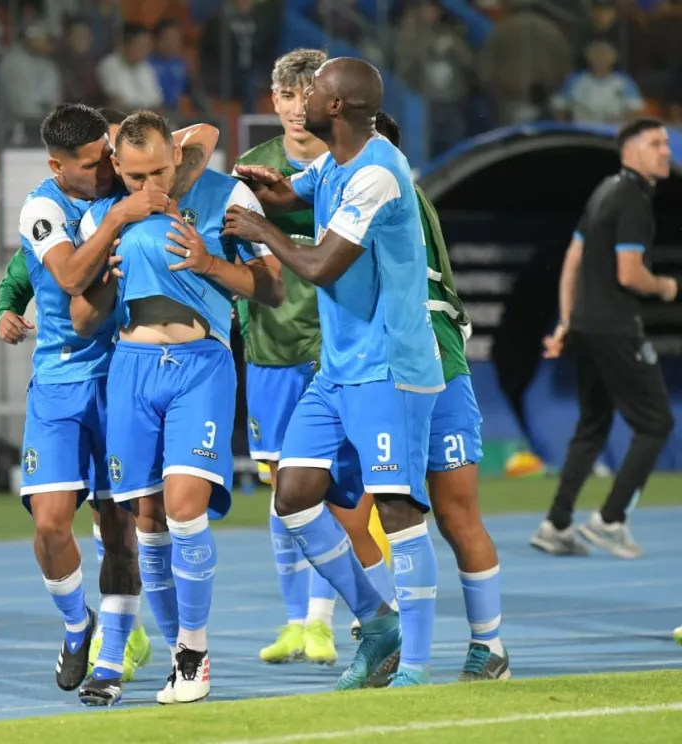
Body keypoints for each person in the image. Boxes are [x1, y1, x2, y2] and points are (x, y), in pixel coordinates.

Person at [224, 57, 440, 688]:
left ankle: (417, 669)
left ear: (338, 106)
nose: (302, 100)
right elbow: (300, 197)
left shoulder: (376, 171)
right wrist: (273, 193)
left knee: (399, 510)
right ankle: (378, 622)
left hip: (388, 367)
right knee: (292, 494)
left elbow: (320, 266)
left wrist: (261, 226)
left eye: (313, 90)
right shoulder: (337, 161)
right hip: (339, 368)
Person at [70, 110, 285, 706]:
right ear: (117, 165)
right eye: (135, 176)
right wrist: (108, 274)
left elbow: (273, 288)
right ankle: (176, 657)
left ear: (178, 156)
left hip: (201, 365)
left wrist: (209, 262)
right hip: (132, 369)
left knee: (186, 509)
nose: (148, 187)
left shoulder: (226, 196)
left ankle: (194, 650)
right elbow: (84, 319)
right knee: (147, 521)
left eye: (159, 171)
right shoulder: (104, 215)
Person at [14, 103, 219, 693]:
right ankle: (79, 624)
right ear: (57, 166)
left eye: (108, 152)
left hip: (123, 375)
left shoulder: (123, 180)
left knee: (120, 529)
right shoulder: (44, 209)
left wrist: (152, 165)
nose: (106, 166)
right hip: (58, 379)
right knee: (52, 525)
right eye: (91, 161)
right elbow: (72, 279)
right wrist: (121, 217)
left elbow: (202, 133)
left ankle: (110, 663)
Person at [371, 110, 510, 681]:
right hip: (383, 372)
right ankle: (386, 635)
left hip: (436, 365)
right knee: (342, 503)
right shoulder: (358, 186)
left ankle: (488, 648)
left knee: (455, 514)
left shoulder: (393, 190)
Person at [531, 118, 676, 559]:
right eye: (655, 143)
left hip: (588, 329)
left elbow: (573, 258)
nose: (665, 151)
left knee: (592, 426)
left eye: (667, 143)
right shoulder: (633, 198)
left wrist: (565, 322)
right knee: (656, 423)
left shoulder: (603, 190)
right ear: (630, 152)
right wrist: (665, 287)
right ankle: (611, 520)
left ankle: (556, 524)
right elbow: (629, 273)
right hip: (615, 327)